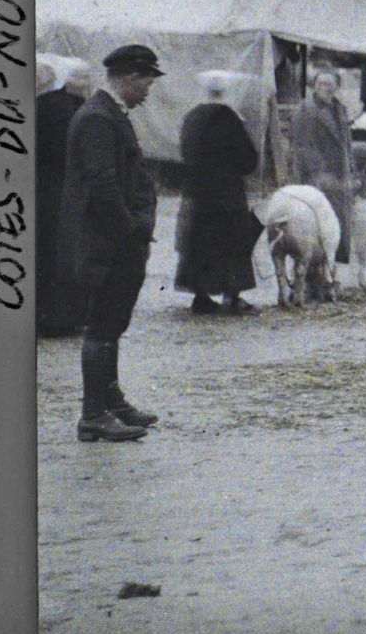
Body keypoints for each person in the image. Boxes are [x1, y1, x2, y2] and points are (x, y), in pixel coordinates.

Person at [59, 43, 167, 443]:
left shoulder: (108, 115)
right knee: (102, 326)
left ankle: (112, 401)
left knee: (112, 324)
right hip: (105, 245)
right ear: (129, 78)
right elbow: (102, 186)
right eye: (147, 82)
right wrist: (130, 231)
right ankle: (93, 414)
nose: (149, 90)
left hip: (114, 242)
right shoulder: (97, 120)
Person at [174, 70, 264, 316]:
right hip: (226, 194)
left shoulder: (192, 117)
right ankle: (232, 296)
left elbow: (184, 153)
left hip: (197, 193)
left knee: (199, 244)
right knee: (233, 244)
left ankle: (201, 297)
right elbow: (248, 160)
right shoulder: (229, 118)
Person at [36, 57, 93, 338]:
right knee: (63, 255)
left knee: (45, 253)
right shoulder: (74, 109)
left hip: (43, 190)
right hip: (64, 191)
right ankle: (64, 315)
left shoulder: (43, 106)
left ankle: (46, 314)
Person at [288, 69, 356, 264]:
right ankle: (312, 278)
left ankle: (331, 270)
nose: (325, 89)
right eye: (321, 85)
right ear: (314, 87)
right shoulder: (306, 110)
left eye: (329, 85)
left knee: (338, 226)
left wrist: (350, 169)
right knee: (316, 227)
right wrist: (320, 174)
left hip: (339, 176)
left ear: (336, 88)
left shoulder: (340, 108)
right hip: (317, 179)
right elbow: (303, 147)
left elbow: (346, 143)